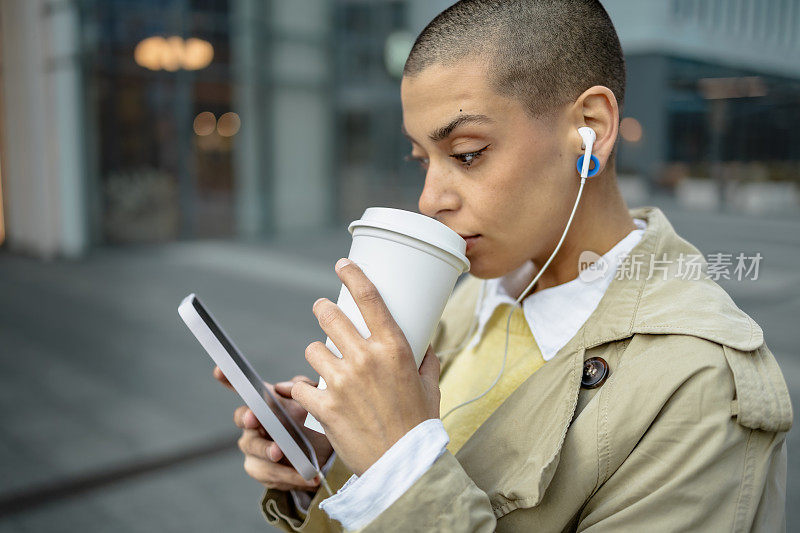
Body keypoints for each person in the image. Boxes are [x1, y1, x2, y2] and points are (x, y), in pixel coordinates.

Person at [215, 1, 793, 531]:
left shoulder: (699, 382)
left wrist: (400, 464)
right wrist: (338, 452)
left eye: (467, 154)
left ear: (590, 128)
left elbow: (414, 476)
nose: (430, 199)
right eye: (423, 159)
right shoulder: (468, 293)